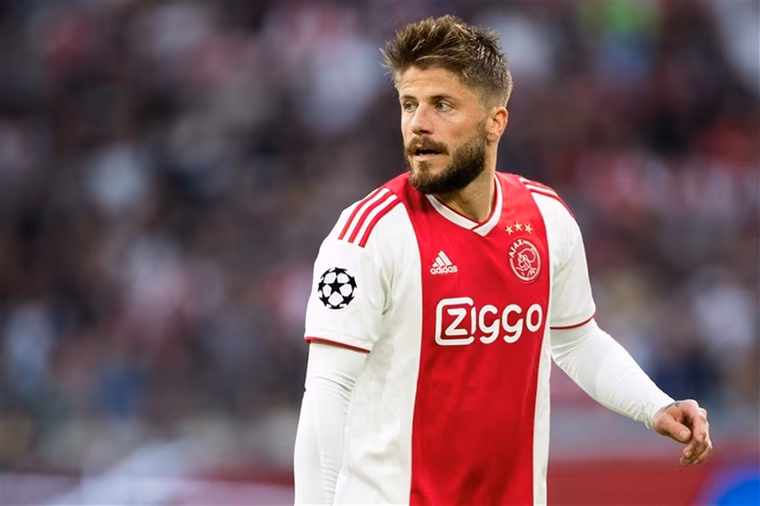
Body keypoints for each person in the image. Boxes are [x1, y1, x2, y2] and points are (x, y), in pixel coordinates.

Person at [293, 15, 713, 506]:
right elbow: (326, 394)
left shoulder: (546, 217)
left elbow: (576, 341)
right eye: (409, 105)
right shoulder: (367, 236)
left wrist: (654, 405)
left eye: (441, 104)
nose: (418, 124)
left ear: (495, 122)